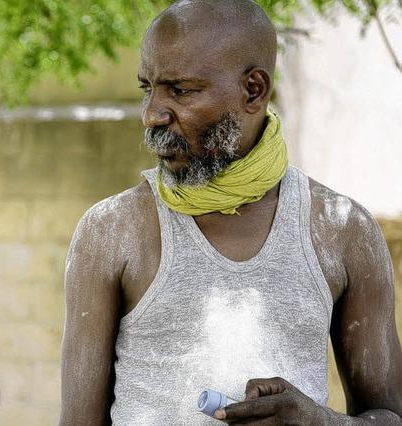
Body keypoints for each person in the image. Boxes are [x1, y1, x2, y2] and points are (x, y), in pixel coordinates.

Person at [60, 1, 402, 425]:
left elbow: (389, 416)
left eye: (180, 90)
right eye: (146, 88)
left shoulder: (343, 230)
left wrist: (320, 422)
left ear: (254, 90)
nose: (152, 114)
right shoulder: (111, 230)